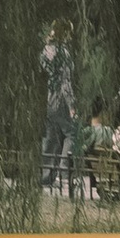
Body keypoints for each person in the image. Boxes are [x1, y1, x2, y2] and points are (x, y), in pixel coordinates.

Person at [39, 19, 77, 196]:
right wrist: (72, 104)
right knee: (71, 132)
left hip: (47, 96)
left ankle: (46, 175)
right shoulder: (63, 52)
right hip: (61, 96)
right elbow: (65, 80)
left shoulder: (45, 50)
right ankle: (64, 169)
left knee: (51, 135)